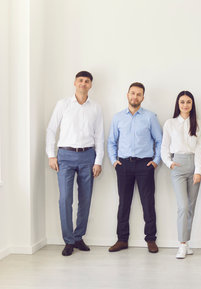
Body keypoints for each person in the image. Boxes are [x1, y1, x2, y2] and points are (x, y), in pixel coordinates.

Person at [46, 70, 104, 256]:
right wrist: (51, 155)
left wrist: (98, 160)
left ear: (90, 85)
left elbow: (100, 136)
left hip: (87, 156)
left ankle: (79, 237)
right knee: (65, 199)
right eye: (80, 80)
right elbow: (51, 129)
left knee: (85, 199)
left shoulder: (95, 107)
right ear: (74, 83)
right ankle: (68, 240)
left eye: (87, 81)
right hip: (65, 156)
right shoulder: (63, 104)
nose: (83, 83)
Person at [107, 82, 162, 254]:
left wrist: (155, 161)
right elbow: (111, 141)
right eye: (132, 93)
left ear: (143, 97)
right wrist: (114, 161)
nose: (135, 97)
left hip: (144, 165)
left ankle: (151, 239)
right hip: (123, 165)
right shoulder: (118, 117)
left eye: (139, 94)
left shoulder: (150, 117)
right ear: (127, 95)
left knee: (148, 202)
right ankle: (122, 239)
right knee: (124, 203)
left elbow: (159, 140)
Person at [161, 91, 201, 259]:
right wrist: (169, 163)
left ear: (192, 104)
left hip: (194, 164)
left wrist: (198, 171)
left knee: (191, 207)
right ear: (178, 104)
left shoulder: (199, 124)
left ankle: (186, 243)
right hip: (178, 166)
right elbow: (164, 146)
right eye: (182, 102)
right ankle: (181, 244)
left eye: (188, 102)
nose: (185, 105)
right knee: (183, 206)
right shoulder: (170, 123)